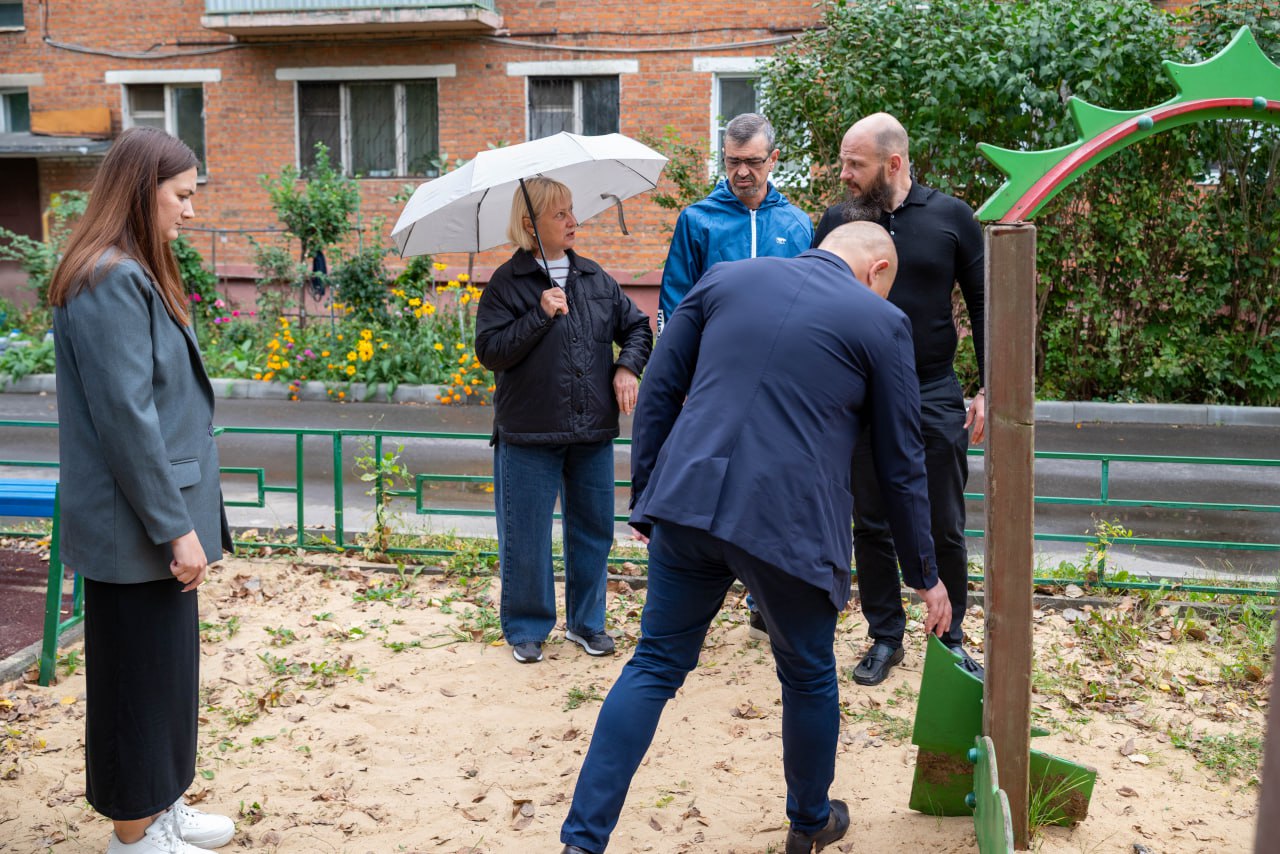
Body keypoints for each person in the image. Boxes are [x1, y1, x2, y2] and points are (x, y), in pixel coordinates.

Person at [558, 222, 951, 854]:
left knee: (655, 664)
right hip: (788, 520)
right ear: (878, 271)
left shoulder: (726, 278)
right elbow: (901, 459)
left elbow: (659, 384)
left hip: (689, 501)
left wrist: (649, 494)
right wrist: (923, 573)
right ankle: (809, 822)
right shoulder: (881, 323)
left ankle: (583, 840)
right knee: (807, 674)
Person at [49, 126, 236, 853]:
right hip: (138, 529)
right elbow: (128, 420)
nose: (190, 211)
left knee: (166, 677)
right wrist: (175, 528)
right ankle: (133, 834)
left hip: (154, 523)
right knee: (134, 685)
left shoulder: (131, 269)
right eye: (181, 196)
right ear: (140, 189)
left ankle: (163, 806)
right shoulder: (108, 277)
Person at [812, 112, 986, 686]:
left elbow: (986, 305)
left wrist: (988, 386)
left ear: (893, 163)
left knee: (944, 521)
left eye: (854, 164)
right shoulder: (839, 222)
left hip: (933, 387)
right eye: (843, 162)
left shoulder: (951, 217)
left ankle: (950, 639)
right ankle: (886, 636)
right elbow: (814, 303)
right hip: (859, 393)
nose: (845, 175)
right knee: (872, 521)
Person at [475, 176, 652, 664]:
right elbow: (490, 352)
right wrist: (537, 314)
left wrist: (625, 366)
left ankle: (587, 623)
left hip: (592, 429)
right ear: (531, 225)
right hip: (528, 431)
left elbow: (637, 327)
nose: (574, 222)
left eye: (573, 211)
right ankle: (527, 628)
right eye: (560, 215)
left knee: (593, 530)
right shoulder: (506, 285)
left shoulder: (596, 278)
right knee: (526, 534)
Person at [657, 112, 812, 638]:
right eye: (732, 162)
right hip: (714, 385)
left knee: (772, 486)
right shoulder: (698, 220)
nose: (741, 172)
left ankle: (764, 600)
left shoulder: (796, 224)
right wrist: (679, 380)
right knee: (711, 482)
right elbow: (675, 306)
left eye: (751, 161)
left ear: (773, 160)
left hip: (783, 385)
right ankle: (695, 597)